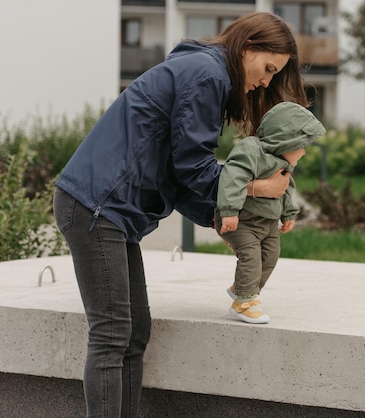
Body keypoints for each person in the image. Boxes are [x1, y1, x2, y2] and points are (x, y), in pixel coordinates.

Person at [52, 11, 307, 417]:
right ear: (249, 47)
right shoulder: (207, 75)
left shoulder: (203, 71)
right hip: (97, 205)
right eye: (268, 68)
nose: (265, 81)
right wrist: (257, 188)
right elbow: (193, 165)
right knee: (111, 333)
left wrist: (220, 218)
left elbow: (175, 175)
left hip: (112, 211)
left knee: (134, 333)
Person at [215, 102, 326, 324]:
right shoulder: (252, 150)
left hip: (268, 224)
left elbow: (285, 190)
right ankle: (243, 303)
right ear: (285, 140)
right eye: (301, 145)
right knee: (251, 256)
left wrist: (289, 214)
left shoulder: (284, 165)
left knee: (270, 256)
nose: (303, 152)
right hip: (242, 221)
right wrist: (229, 211)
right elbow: (232, 177)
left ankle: (242, 287)